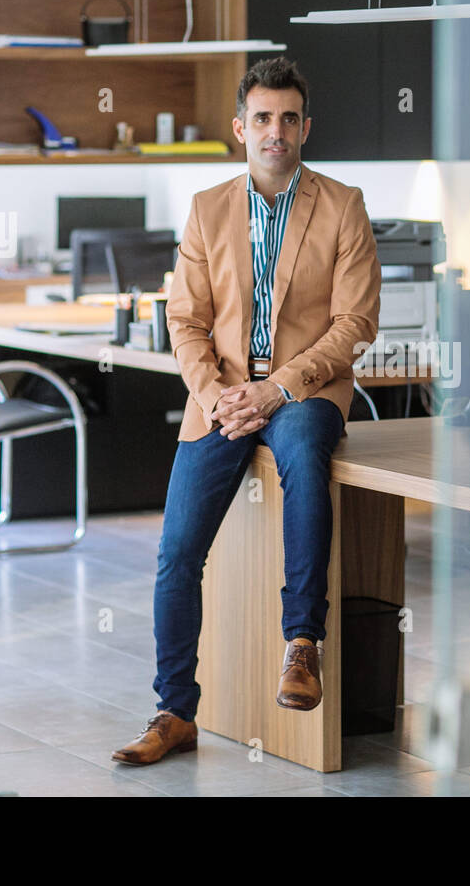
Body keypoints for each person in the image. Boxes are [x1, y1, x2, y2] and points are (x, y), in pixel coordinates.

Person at [113, 57, 381, 765]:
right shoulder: (208, 209)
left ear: (305, 127)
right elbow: (186, 320)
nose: (276, 131)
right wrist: (214, 396)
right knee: (177, 553)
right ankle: (174, 713)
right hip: (223, 397)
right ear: (241, 128)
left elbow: (355, 322)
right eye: (263, 118)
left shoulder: (343, 204)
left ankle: (302, 644)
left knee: (302, 458)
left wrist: (279, 387)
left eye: (289, 118)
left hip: (305, 392)